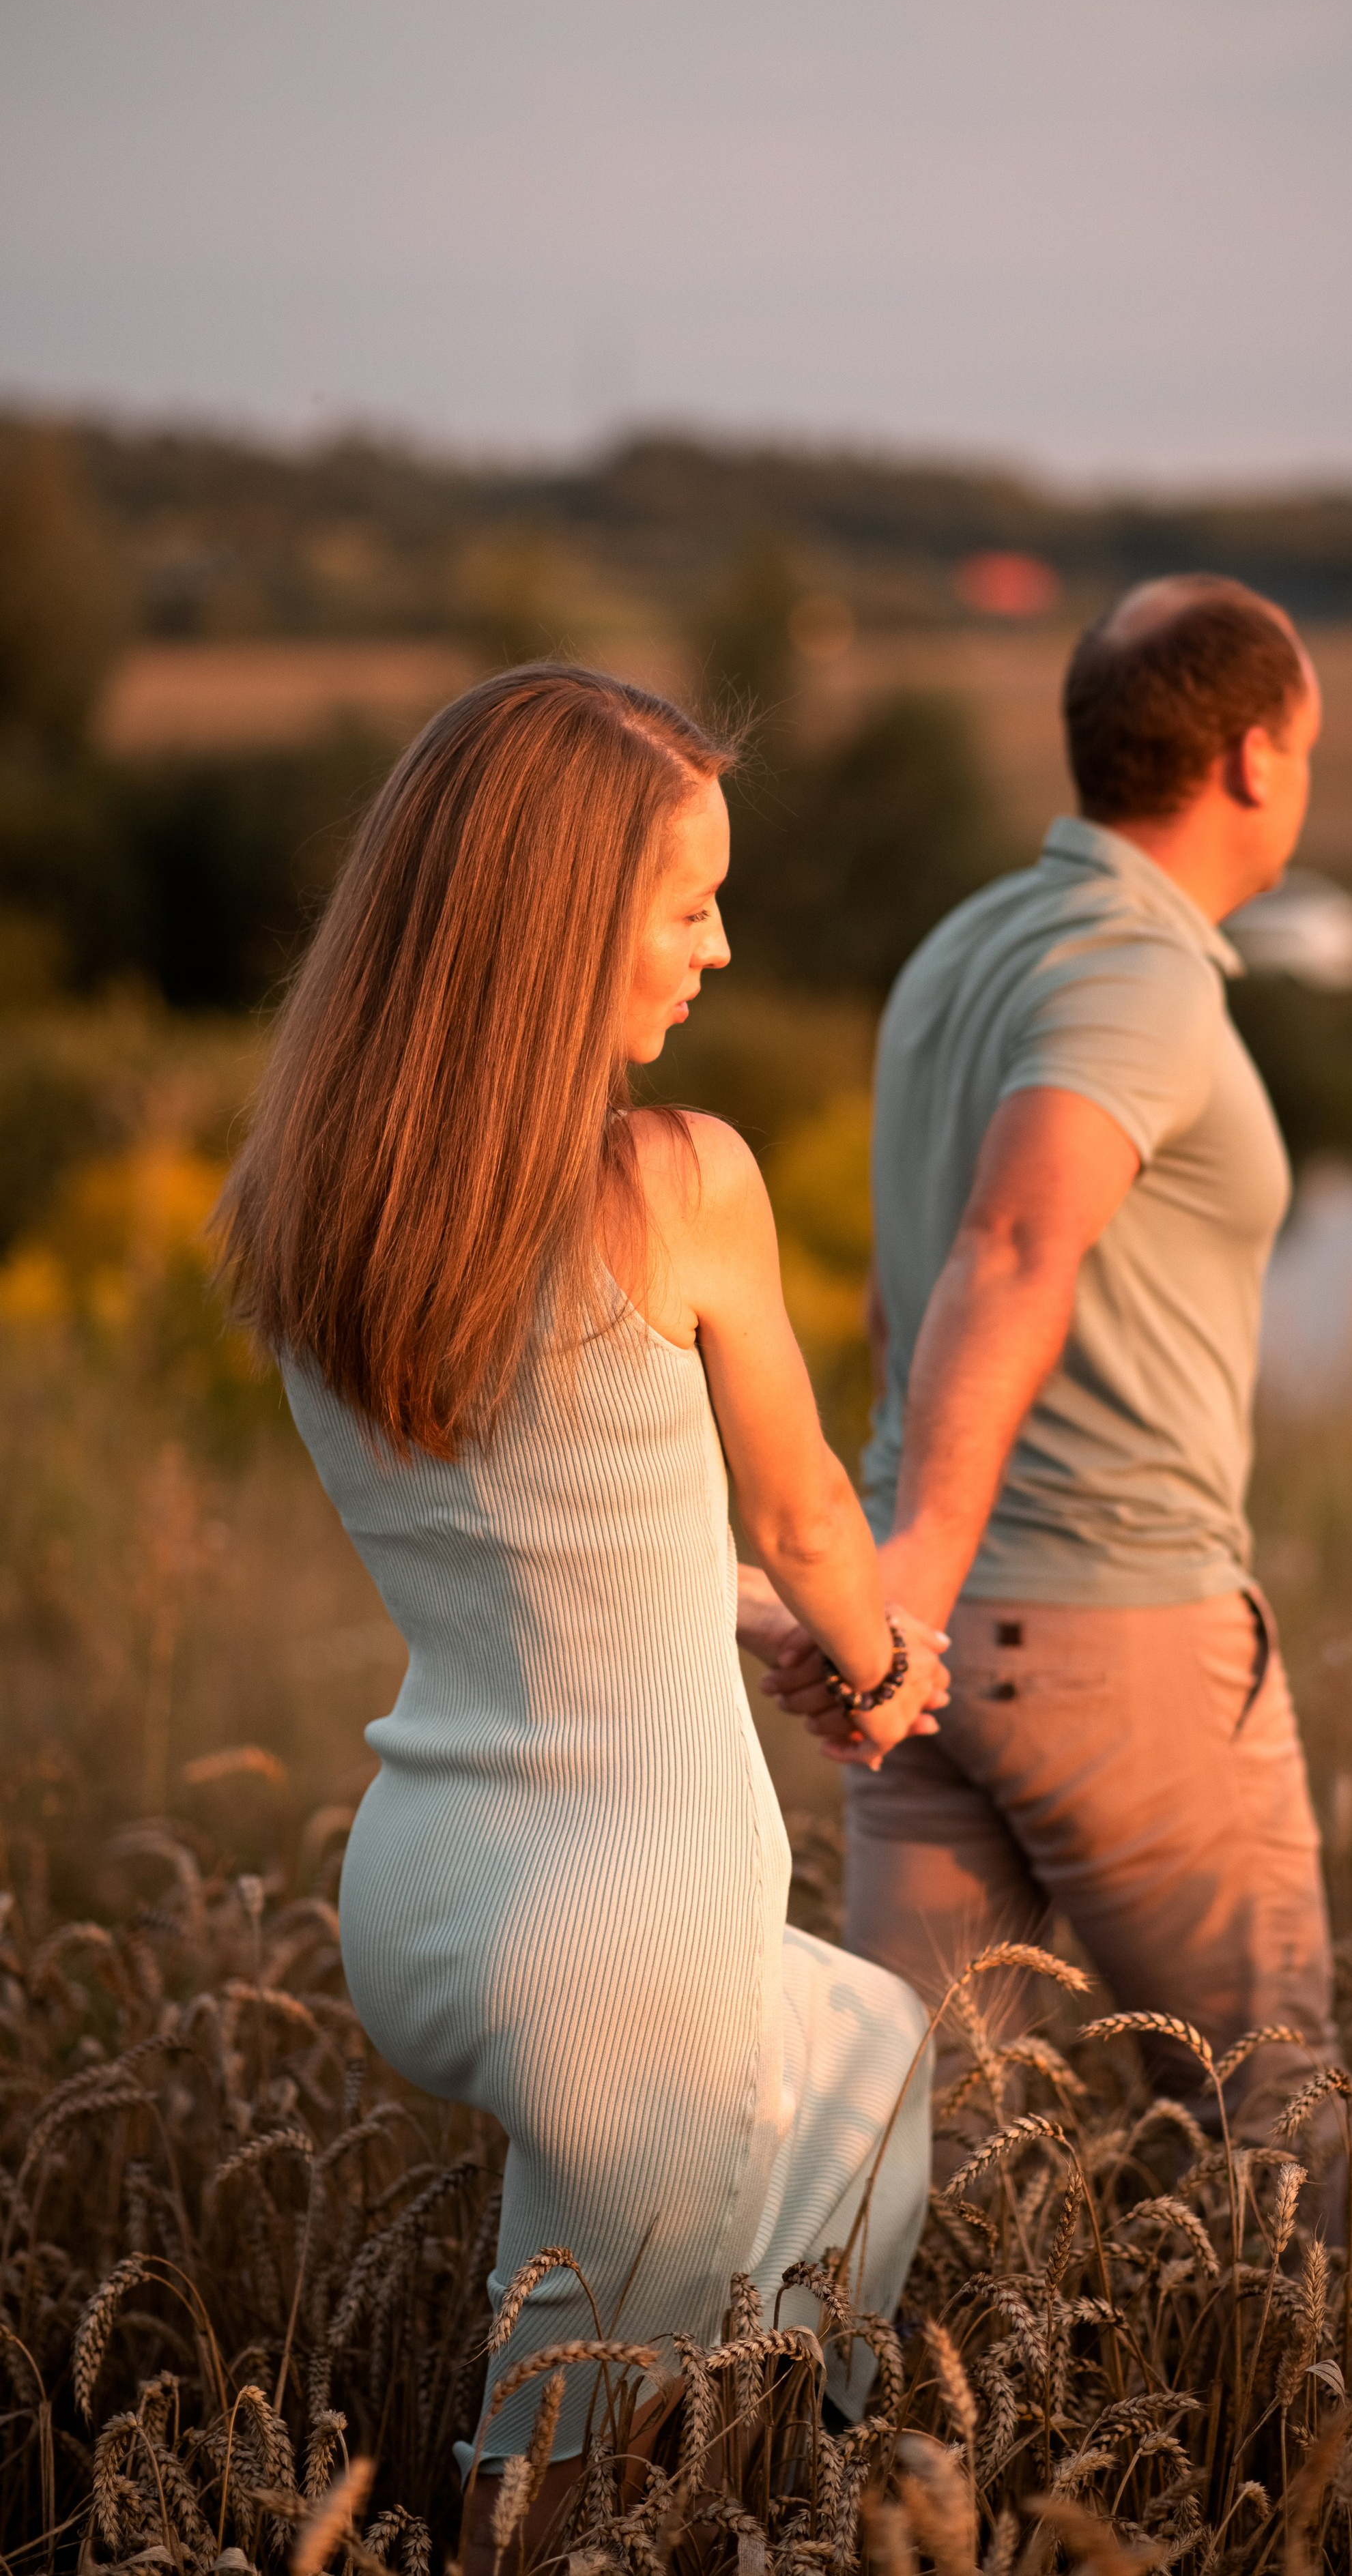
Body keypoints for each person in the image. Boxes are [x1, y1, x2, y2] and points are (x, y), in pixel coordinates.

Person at [214, 665, 945, 2558]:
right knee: (552, 2489)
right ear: (555, 928)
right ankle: (730, 2479)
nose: (722, 940)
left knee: (865, 2055)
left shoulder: (327, 1199)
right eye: (687, 900)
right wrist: (870, 1666)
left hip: (431, 1882)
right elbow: (801, 1507)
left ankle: (764, 2453)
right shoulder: (681, 1179)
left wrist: (741, 1620)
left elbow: (532, 1527)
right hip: (626, 1910)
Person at [768, 575, 1336, 2127]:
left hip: (932, 1656)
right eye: (1305, 742)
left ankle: (845, 2380)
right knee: (1268, 2129)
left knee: (909, 2152)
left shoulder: (964, 946)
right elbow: (1012, 1244)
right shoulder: (1132, 973)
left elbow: (904, 1293)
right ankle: (1280, 2387)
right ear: (1247, 760)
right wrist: (919, 1579)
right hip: (1108, 1630)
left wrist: (901, 1599)